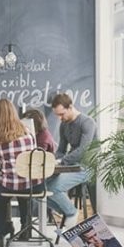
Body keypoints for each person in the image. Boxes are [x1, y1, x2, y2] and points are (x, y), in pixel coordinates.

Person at [0, 99, 41, 247]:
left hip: (8, 185)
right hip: (32, 185)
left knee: (0, 199)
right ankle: (25, 227)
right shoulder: (28, 134)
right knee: (24, 191)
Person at [47, 93, 97, 227]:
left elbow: (82, 150)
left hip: (87, 167)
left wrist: (61, 161)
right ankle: (66, 211)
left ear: (70, 107)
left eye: (61, 114)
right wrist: (53, 160)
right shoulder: (64, 125)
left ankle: (71, 213)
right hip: (71, 166)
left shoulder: (87, 122)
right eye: (57, 115)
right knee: (39, 189)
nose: (60, 118)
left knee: (54, 188)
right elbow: (61, 150)